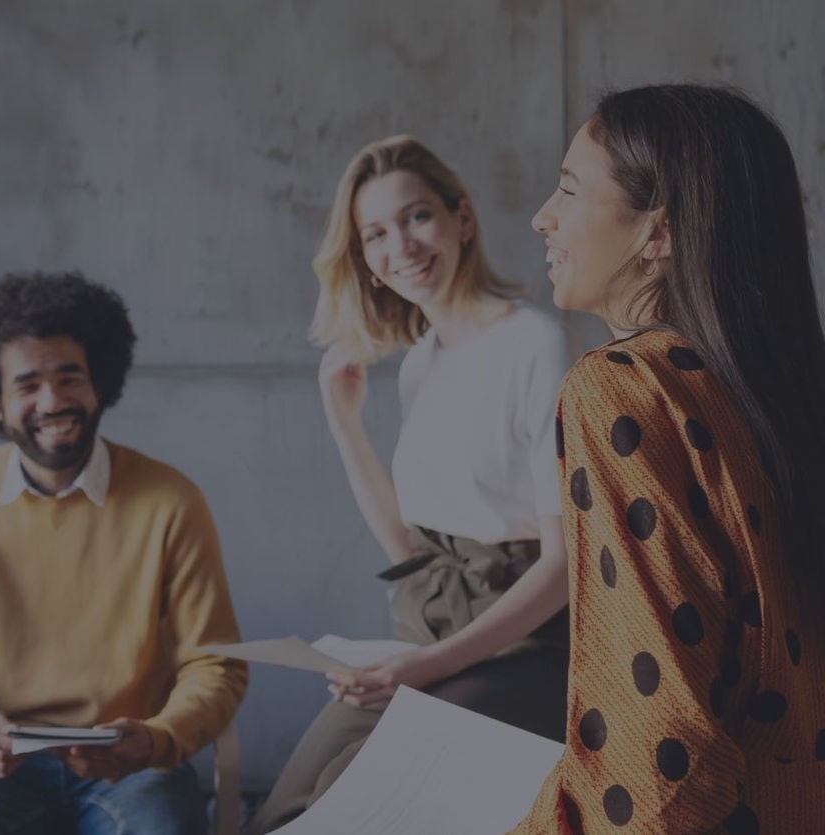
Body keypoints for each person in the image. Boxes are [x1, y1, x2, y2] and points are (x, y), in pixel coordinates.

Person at [515, 84, 825, 833]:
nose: (545, 216)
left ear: (658, 233)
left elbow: (658, 751)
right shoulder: (813, 413)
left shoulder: (623, 392)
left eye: (569, 190)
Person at [249, 136, 574, 833]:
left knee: (351, 793)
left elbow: (565, 563)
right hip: (425, 627)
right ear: (364, 259)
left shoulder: (532, 342)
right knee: (280, 811)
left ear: (463, 219)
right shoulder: (422, 361)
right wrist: (345, 426)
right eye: (376, 233)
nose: (401, 244)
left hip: (529, 643)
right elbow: (409, 544)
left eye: (417, 216)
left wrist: (425, 665)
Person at [0, 271, 249, 835]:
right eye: (27, 385)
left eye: (68, 377)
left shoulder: (171, 501)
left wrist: (157, 737)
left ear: (99, 382)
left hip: (133, 767)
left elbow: (217, 663)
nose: (52, 401)